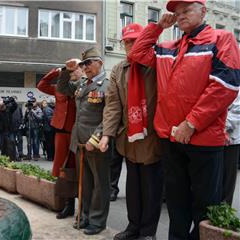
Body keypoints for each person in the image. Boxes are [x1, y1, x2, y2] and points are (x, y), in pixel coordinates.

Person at [129, 1, 240, 239]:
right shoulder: (169, 47)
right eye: (177, 13)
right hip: (171, 138)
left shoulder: (222, 39)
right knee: (177, 206)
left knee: (205, 208)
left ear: (203, 11)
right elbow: (136, 53)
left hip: (203, 140)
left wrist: (191, 124)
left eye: (186, 11)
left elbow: (225, 86)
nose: (180, 16)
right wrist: (158, 26)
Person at [99, 23, 163, 240]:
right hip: (129, 137)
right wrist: (107, 134)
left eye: (135, 41)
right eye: (127, 42)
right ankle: (133, 226)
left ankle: (148, 232)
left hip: (153, 136)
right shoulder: (119, 69)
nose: (130, 46)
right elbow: (113, 105)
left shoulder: (156, 63)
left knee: (151, 188)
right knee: (133, 187)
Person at [57, 47, 110, 235]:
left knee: (99, 185)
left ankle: (97, 221)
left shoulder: (106, 85)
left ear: (100, 63)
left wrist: (96, 138)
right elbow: (62, 88)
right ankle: (85, 217)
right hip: (79, 141)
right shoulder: (82, 84)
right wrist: (66, 70)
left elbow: (110, 115)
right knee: (85, 183)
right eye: (83, 64)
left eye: (89, 63)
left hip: (96, 143)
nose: (85, 67)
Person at [37, 66, 79, 219]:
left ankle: (81, 206)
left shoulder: (81, 88)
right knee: (62, 169)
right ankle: (68, 205)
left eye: (75, 70)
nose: (73, 73)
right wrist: (58, 71)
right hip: (61, 132)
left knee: (75, 169)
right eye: (71, 71)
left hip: (75, 133)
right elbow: (41, 85)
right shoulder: (58, 88)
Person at [223, 92, 240, 205]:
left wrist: (220, 127)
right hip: (210, 136)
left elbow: (237, 111)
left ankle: (223, 213)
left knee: (226, 182)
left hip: (230, 139)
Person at [0, 97, 19, 161]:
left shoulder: (9, 109)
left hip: (9, 130)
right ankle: (3, 157)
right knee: (2, 145)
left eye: (2, 106)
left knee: (11, 144)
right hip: (1, 131)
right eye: (0, 106)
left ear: (4, 105)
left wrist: (12, 100)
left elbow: (15, 106)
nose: (1, 107)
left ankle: (12, 158)